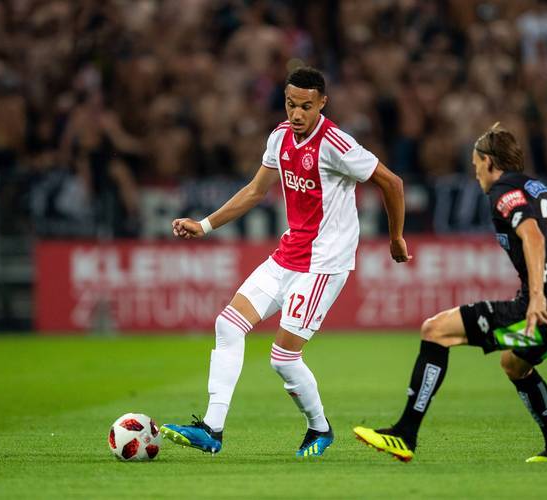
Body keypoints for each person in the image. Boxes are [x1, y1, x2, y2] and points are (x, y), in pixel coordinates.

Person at [160, 67, 410, 457]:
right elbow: (255, 191)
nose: (297, 114)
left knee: (283, 358)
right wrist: (204, 225)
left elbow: (391, 182)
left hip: (322, 266)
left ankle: (320, 428)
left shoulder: (337, 143)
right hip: (287, 256)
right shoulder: (279, 137)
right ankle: (212, 429)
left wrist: (395, 237)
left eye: (306, 106)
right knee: (228, 325)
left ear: (322, 103)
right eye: (291, 104)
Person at [354, 123, 547, 463]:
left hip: (544, 306)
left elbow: (533, 237)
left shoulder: (503, 192)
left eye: (476, 165)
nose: (475, 173)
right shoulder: (546, 195)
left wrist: (536, 297)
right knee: (514, 364)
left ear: (489, 161)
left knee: (436, 330)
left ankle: (404, 434)